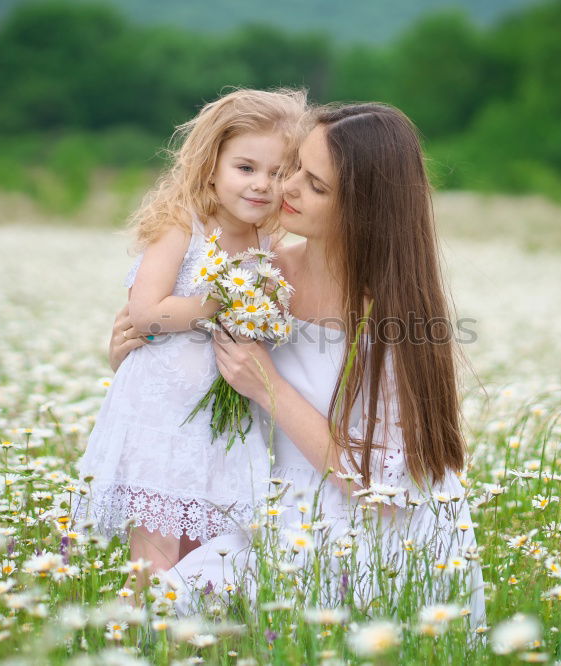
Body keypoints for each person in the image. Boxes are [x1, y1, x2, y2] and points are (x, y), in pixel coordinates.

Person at [109, 102, 487, 624]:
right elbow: (186, 377)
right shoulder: (258, 277)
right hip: (275, 512)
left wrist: (268, 387)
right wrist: (135, 355)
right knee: (155, 617)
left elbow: (383, 490)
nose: (285, 188)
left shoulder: (395, 316)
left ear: (365, 209)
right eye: (294, 167)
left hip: (382, 540)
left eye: (315, 185)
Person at [73, 88, 307, 588]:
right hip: (163, 413)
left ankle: (192, 640)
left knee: (208, 551)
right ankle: (144, 635)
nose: (263, 184)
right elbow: (147, 311)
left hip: (220, 419)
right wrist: (224, 301)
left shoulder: (268, 241)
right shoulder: (184, 226)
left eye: (279, 172)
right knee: (156, 553)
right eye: (246, 168)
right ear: (211, 166)